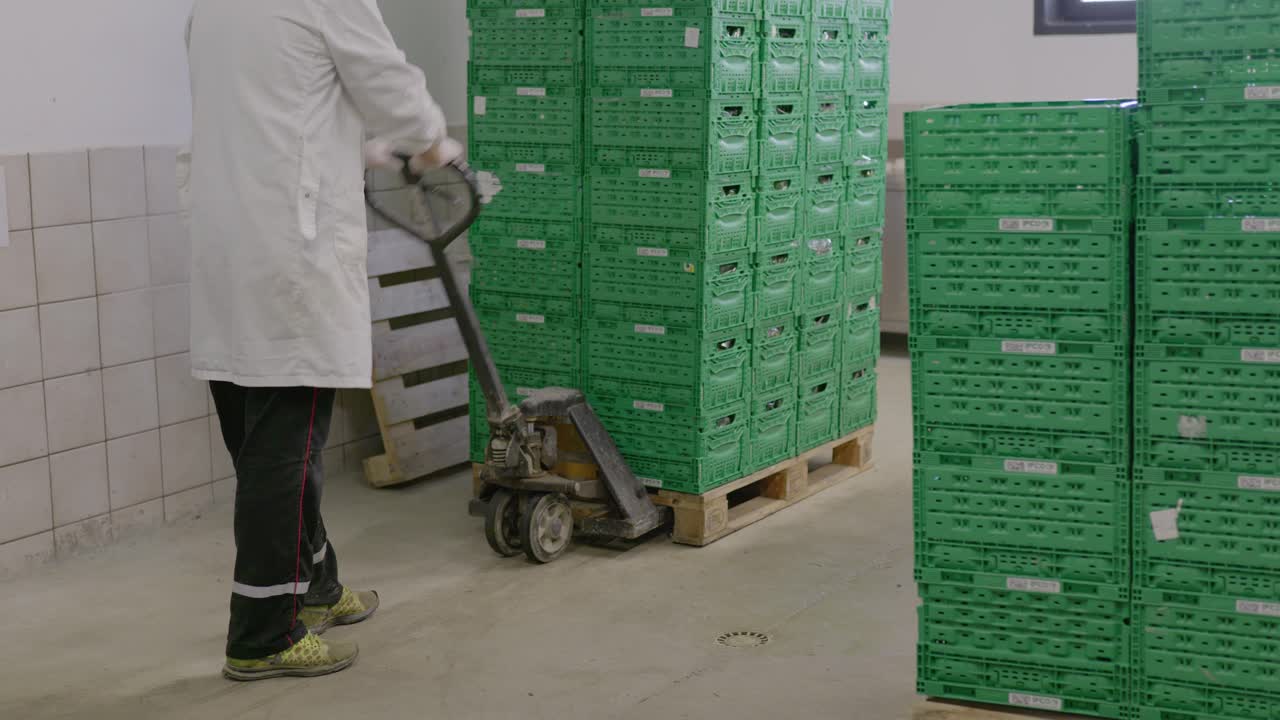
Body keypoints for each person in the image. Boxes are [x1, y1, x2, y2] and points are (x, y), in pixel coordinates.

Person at [182, 0, 461, 681]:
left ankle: (317, 590)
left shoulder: (211, 8)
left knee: (259, 438)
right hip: (289, 253)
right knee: (286, 445)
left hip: (228, 242)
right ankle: (262, 634)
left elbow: (273, 107)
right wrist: (431, 143)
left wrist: (352, 147)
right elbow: (387, 81)